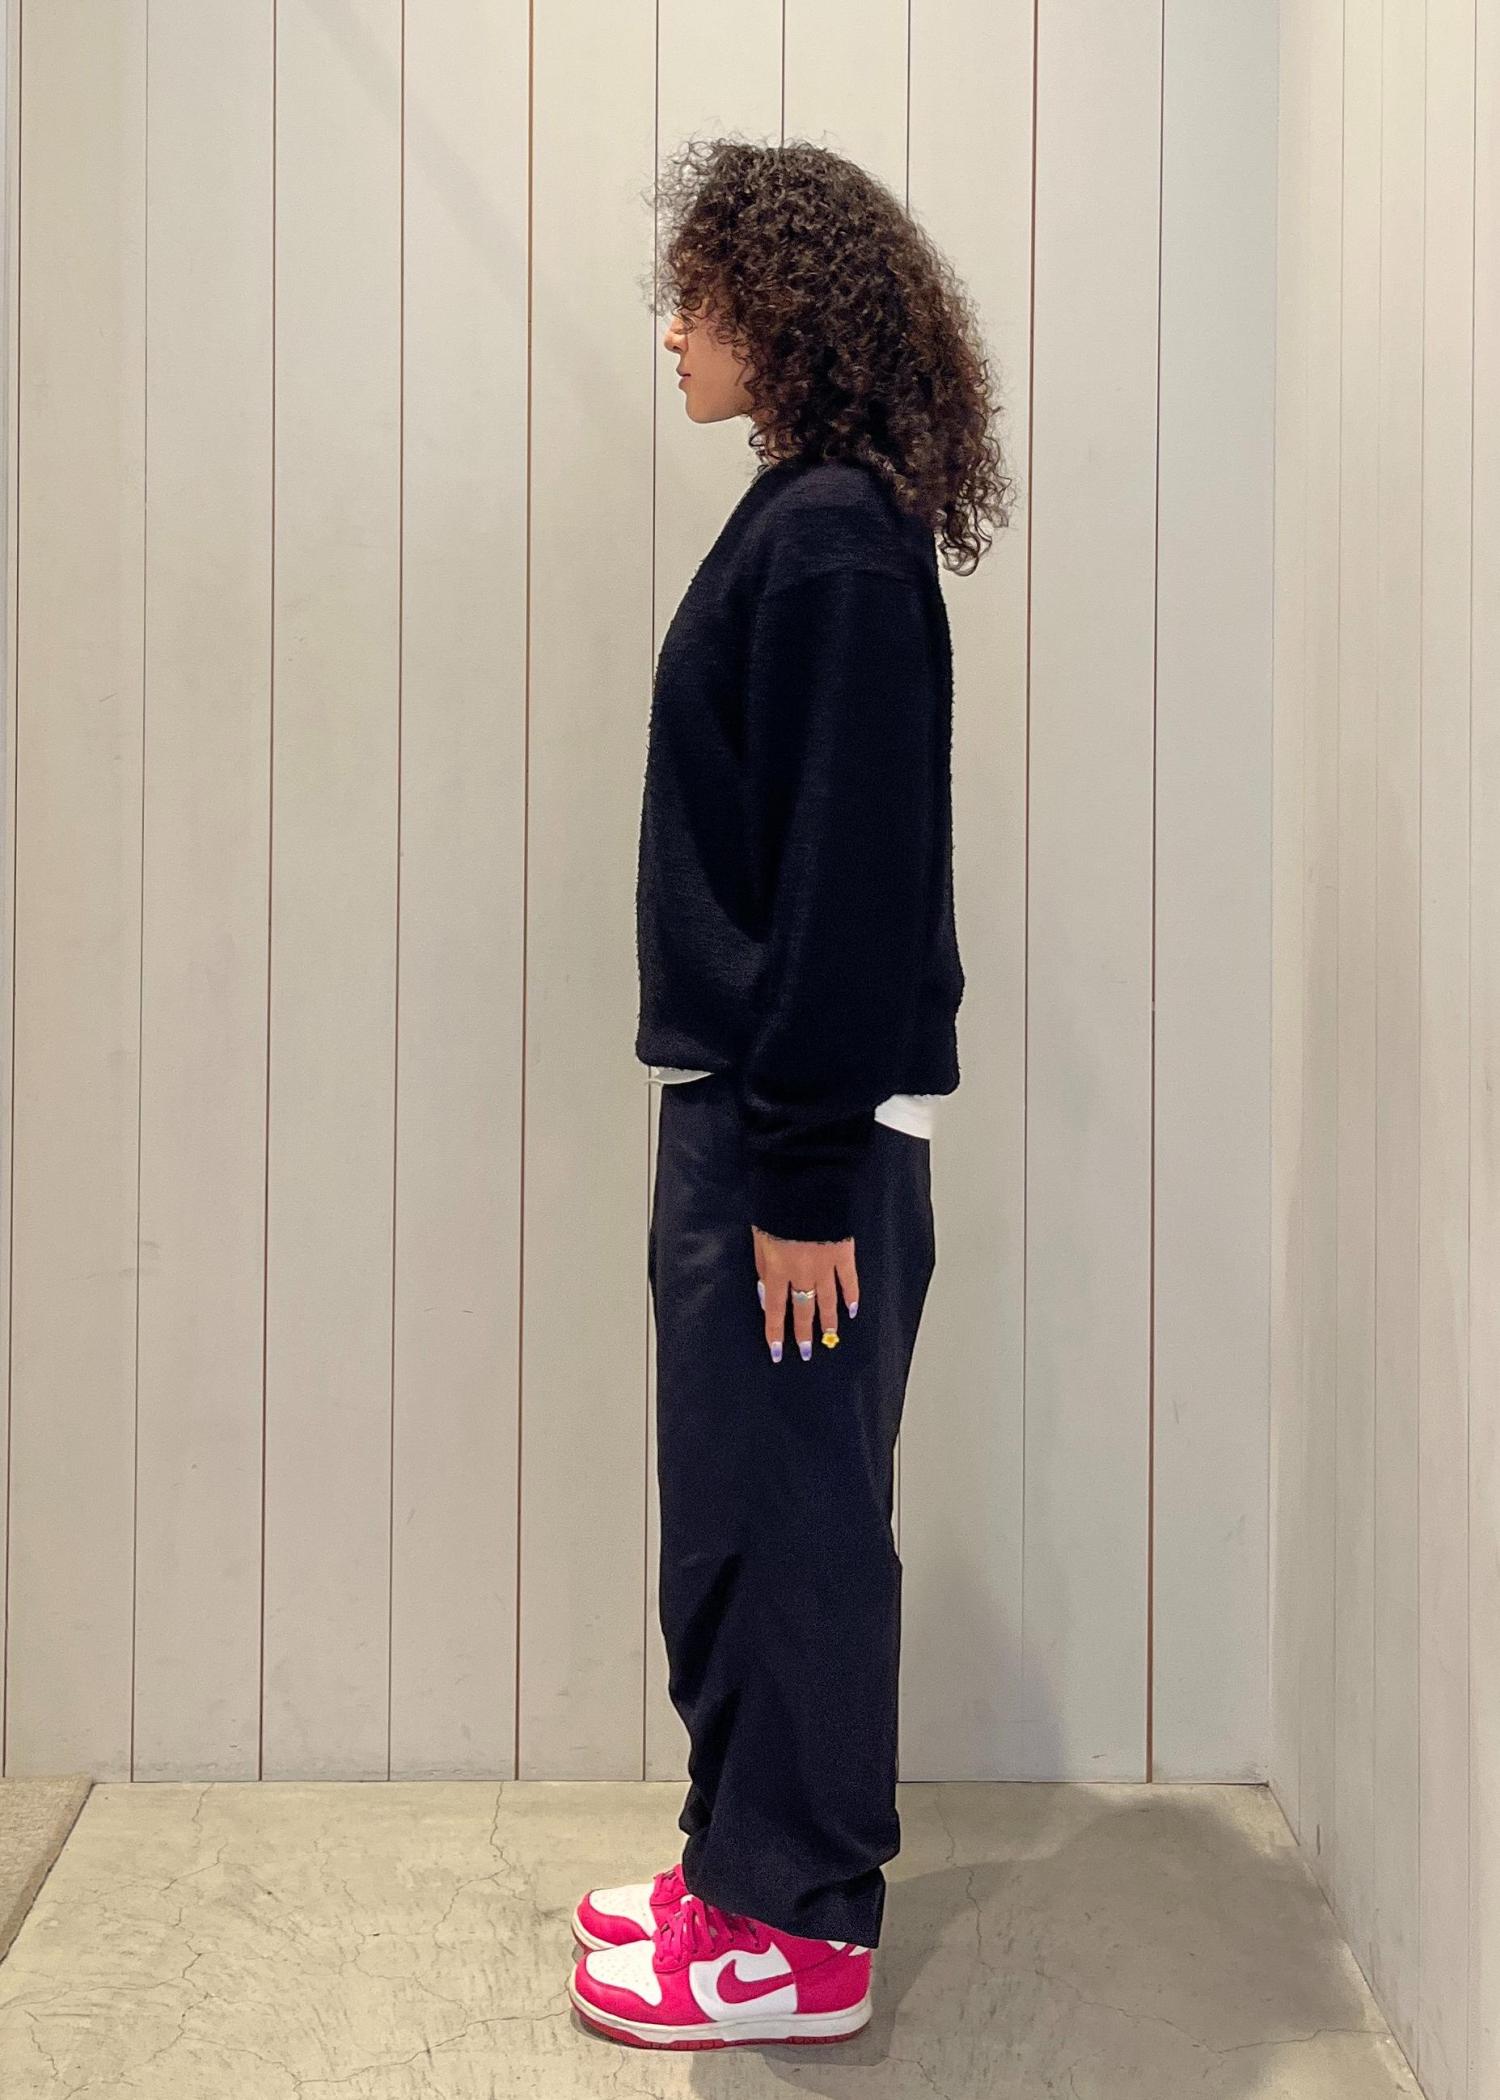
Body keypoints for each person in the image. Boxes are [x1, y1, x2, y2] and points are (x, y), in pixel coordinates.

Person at [565, 136, 1013, 2052]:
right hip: (759, 1116)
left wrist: (805, 1179)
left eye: (703, 297)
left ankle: (799, 1933)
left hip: (789, 1139)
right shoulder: (811, 517)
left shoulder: (831, 537)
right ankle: (738, 1861)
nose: (675, 331)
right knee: (741, 1518)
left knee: (796, 1530)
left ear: (792, 311)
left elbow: (849, 881)